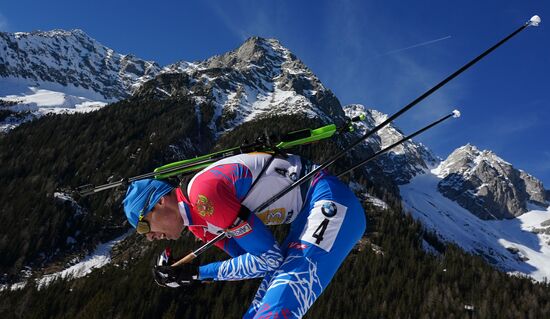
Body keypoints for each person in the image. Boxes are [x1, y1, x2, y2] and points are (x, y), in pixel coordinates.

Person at [123, 152, 366, 318]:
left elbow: (268, 259)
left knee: (279, 307)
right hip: (305, 217)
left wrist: (198, 273)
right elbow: (254, 263)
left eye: (144, 227)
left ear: (160, 202)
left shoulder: (203, 196)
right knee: (259, 311)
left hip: (328, 200)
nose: (149, 237)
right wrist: (191, 275)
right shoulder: (199, 225)